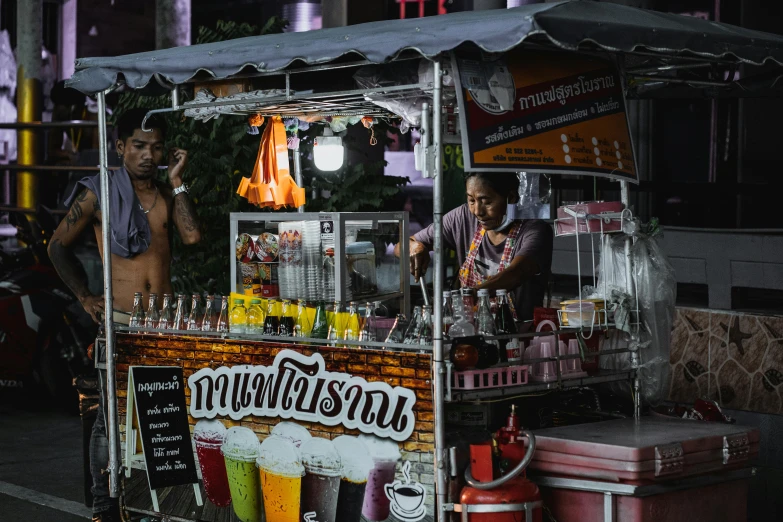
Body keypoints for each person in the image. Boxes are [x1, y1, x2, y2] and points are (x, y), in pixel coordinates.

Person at [48, 108, 201, 521]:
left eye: (156, 147)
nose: (148, 155)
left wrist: (178, 181)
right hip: (119, 323)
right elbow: (57, 245)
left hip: (163, 324)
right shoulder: (98, 192)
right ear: (120, 147)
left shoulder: (168, 195)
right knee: (111, 419)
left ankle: (156, 505)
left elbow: (192, 235)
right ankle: (104, 505)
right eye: (138, 146)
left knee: (163, 415)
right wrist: (84, 296)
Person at [401, 171, 553, 322]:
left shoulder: (535, 230)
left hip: (518, 338)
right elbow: (402, 245)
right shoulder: (462, 217)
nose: (477, 211)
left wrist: (471, 294)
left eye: (486, 202)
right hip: (467, 331)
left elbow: (516, 273)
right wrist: (416, 247)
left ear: (511, 198)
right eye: (471, 200)